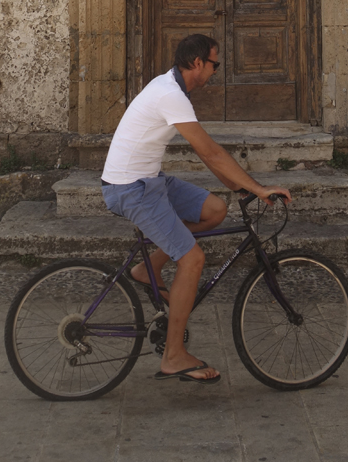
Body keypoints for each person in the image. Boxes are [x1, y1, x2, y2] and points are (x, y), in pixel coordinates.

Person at [100, 33, 292, 384]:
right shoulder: (171, 95)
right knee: (193, 259)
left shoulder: (171, 88)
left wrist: (237, 187)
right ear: (197, 63)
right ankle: (173, 357)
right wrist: (257, 188)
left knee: (215, 210)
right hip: (131, 189)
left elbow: (211, 157)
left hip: (149, 181)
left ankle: (148, 269)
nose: (215, 72)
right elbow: (210, 152)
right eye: (214, 64)